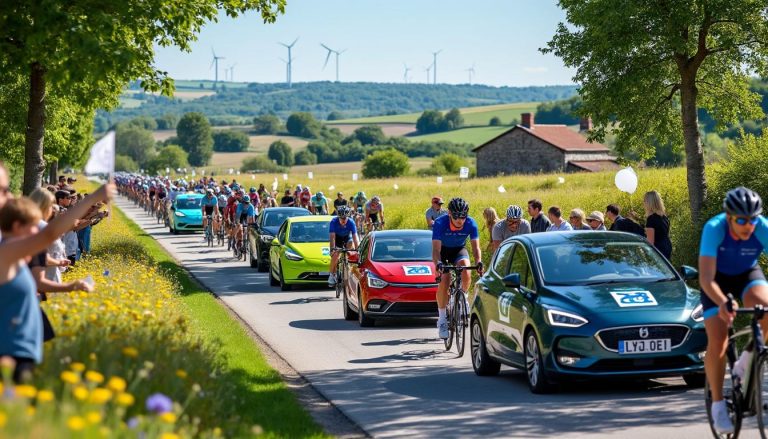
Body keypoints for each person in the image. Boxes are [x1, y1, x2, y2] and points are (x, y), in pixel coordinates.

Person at [0, 181, 115, 383]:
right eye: (33, 228)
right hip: (11, 354)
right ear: (17, 227)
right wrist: (95, 196)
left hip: (19, 352)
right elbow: (51, 233)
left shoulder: (14, 255)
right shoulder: (7, 252)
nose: (37, 233)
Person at [699, 187, 768, 435]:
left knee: (767, 309)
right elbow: (706, 278)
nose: (748, 225)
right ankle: (718, 404)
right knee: (718, 338)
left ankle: (747, 359)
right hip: (715, 281)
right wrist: (722, 302)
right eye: (741, 220)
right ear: (729, 217)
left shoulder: (762, 227)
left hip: (747, 274)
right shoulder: (714, 228)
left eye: (753, 219)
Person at [432, 198, 483, 339]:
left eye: (463, 216)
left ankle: (463, 297)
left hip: (459, 250)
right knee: (444, 280)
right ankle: (442, 319)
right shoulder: (440, 223)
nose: (460, 220)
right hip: (443, 251)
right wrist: (438, 264)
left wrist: (479, 261)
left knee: (466, 270)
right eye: (456, 216)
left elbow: (475, 247)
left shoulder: (471, 223)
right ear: (449, 213)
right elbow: (436, 249)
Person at [328, 206, 360, 287]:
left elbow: (355, 237)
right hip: (337, 238)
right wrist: (332, 249)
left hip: (347, 238)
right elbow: (332, 237)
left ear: (348, 217)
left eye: (345, 218)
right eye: (341, 218)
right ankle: (332, 275)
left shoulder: (351, 222)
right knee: (335, 254)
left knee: (351, 244)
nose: (343, 220)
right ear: (338, 217)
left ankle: (348, 264)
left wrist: (358, 250)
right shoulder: (333, 222)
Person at [644, 191, 672, 260]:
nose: (643, 203)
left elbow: (650, 242)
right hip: (667, 246)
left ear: (649, 203)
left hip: (658, 250)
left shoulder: (651, 219)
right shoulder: (664, 217)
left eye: (644, 201)